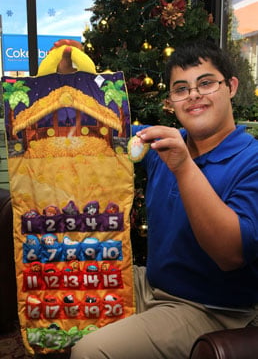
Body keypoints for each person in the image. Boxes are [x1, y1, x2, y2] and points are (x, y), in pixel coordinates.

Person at [55, 39, 258, 359]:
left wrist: (183, 167)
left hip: (210, 308)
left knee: (90, 351)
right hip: (150, 282)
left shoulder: (252, 160)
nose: (193, 94)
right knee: (64, 283)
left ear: (231, 87)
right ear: (171, 101)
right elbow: (99, 128)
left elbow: (230, 254)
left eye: (206, 83)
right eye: (181, 88)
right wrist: (69, 83)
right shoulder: (166, 140)